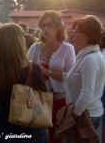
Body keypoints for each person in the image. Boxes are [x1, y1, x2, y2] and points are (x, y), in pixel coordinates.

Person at [0, 23, 48, 143]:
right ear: (19, 40)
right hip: (30, 126)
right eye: (23, 35)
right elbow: (42, 97)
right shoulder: (32, 68)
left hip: (2, 124)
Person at [28, 10, 75, 143]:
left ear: (59, 27)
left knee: (55, 136)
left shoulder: (67, 49)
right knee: (36, 135)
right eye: (43, 25)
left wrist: (45, 71)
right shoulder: (35, 48)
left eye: (50, 24)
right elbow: (23, 71)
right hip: (36, 98)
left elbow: (70, 77)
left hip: (58, 101)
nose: (45, 28)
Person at [64, 15, 105, 142]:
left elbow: (87, 94)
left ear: (88, 35)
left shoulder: (90, 59)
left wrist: (72, 116)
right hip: (85, 114)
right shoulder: (86, 55)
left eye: (76, 32)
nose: (73, 35)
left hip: (86, 117)